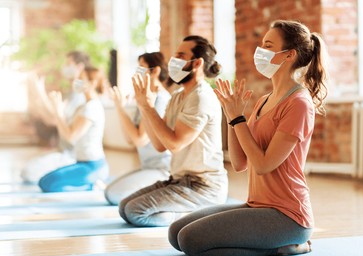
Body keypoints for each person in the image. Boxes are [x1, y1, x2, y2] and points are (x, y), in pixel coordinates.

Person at [168, 20, 329, 256]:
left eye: (268, 45)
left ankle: (285, 246)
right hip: (256, 205)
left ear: (289, 55)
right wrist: (232, 117)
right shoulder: (265, 100)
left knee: (190, 240)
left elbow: (264, 165)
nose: (260, 50)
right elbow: (240, 162)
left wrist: (238, 119)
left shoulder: (299, 104)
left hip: (287, 215)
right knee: (175, 233)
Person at [119, 35, 228, 227]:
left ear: (197, 63)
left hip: (202, 186)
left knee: (134, 211)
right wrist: (144, 107)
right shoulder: (178, 96)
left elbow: (174, 144)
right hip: (178, 180)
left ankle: (192, 215)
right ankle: (186, 212)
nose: (173, 60)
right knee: (124, 207)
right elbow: (160, 145)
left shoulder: (201, 97)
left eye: (180, 55)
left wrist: (149, 108)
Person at [104, 52, 171, 205]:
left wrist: (120, 108)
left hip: (163, 170)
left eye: (142, 68)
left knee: (114, 195)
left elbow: (140, 139)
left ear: (155, 71)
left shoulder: (161, 99)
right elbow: (130, 139)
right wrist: (120, 108)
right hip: (147, 167)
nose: (137, 72)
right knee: (111, 191)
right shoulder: (143, 99)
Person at [21, 51, 91, 184]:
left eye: (68, 64)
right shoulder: (71, 93)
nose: (64, 67)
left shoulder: (82, 95)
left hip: (73, 156)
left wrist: (39, 90)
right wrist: (38, 91)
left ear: (79, 67)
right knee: (28, 171)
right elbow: (51, 117)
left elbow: (54, 118)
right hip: (63, 152)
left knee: (29, 173)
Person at [38, 66, 109, 192]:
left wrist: (58, 112)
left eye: (81, 79)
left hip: (93, 165)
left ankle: (92, 183)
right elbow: (64, 129)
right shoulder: (83, 106)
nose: (77, 81)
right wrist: (56, 111)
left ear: (92, 83)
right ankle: (88, 183)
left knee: (47, 183)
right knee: (45, 181)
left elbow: (71, 137)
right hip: (80, 162)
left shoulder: (92, 107)